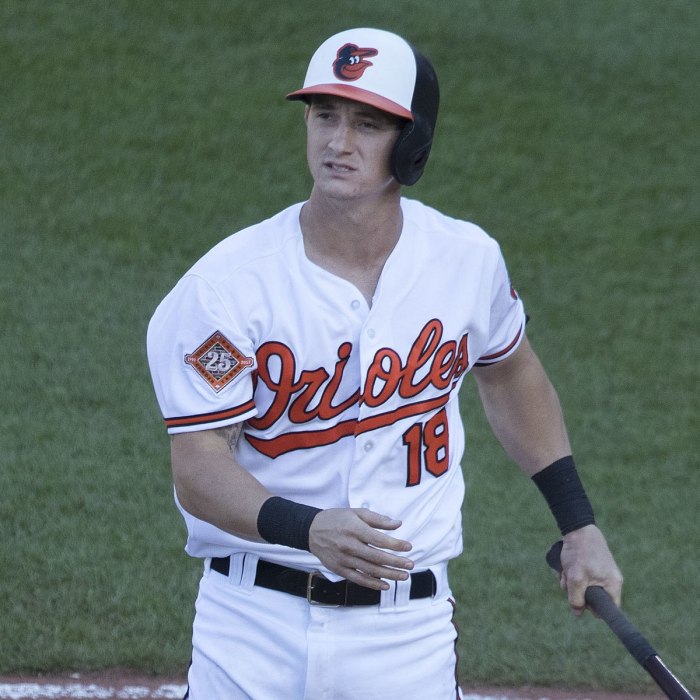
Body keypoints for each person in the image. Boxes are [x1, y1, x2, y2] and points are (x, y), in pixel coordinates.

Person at [146, 27, 622, 700]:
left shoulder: (465, 261)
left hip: (406, 638)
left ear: (412, 143)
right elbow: (197, 466)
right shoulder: (225, 288)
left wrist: (579, 525)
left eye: (367, 125)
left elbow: (511, 373)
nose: (337, 143)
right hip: (251, 627)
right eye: (325, 116)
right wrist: (307, 527)